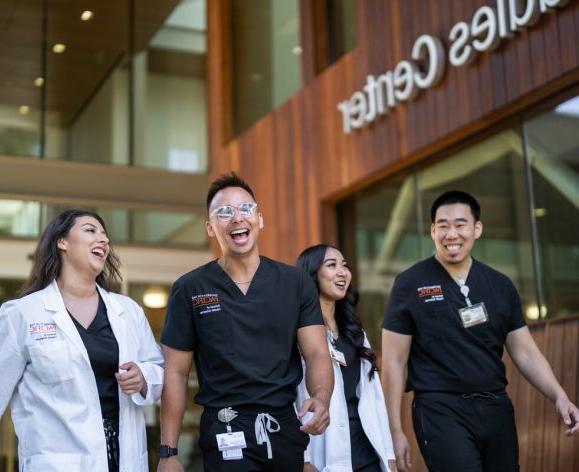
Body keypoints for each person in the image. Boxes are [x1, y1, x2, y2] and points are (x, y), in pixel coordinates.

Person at [381, 190, 579, 472]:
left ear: (477, 229)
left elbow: (525, 352)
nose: (452, 234)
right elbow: (393, 361)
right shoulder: (410, 283)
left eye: (460, 225)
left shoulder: (500, 285)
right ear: (432, 231)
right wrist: (393, 429)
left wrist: (559, 397)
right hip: (440, 409)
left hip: (495, 406)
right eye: (443, 226)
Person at [158, 173, 333, 471]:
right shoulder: (191, 288)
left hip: (284, 428)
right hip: (225, 426)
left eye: (245, 209)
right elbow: (175, 371)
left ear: (260, 219)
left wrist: (321, 397)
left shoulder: (295, 282)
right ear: (210, 228)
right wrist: (168, 452)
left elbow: (316, 353)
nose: (237, 218)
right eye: (224, 213)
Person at [0, 209, 164, 472]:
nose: (103, 240)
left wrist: (144, 377)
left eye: (105, 235)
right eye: (91, 230)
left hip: (125, 458)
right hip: (57, 463)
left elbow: (160, 372)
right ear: (61, 242)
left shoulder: (128, 311)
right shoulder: (23, 314)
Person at [296, 244, 397, 472]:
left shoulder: (353, 331)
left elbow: (374, 396)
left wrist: (388, 453)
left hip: (367, 451)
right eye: (332, 265)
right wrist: (302, 458)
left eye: (345, 265)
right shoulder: (297, 332)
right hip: (324, 450)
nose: (343, 272)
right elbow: (290, 396)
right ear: (311, 274)